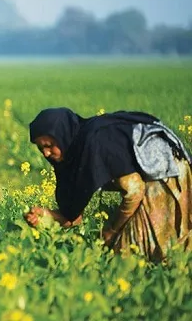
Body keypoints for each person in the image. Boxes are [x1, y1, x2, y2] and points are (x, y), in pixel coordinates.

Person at [25, 107, 191, 260]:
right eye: (41, 149)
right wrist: (46, 215)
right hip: (161, 172)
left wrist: (111, 230)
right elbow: (73, 216)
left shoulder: (93, 143)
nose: (46, 153)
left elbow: (135, 190)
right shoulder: (77, 148)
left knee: (130, 253)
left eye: (50, 145)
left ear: (63, 136)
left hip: (164, 172)